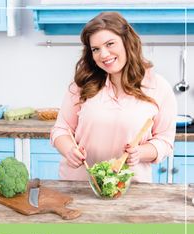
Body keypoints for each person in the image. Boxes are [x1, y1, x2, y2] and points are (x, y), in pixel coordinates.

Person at [50, 12, 177, 182]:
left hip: (131, 188)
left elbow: (164, 141)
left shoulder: (158, 87)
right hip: (79, 185)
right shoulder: (82, 85)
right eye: (96, 49)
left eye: (110, 44)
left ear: (127, 42)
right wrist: (68, 150)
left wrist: (140, 153)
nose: (103, 54)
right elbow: (61, 129)